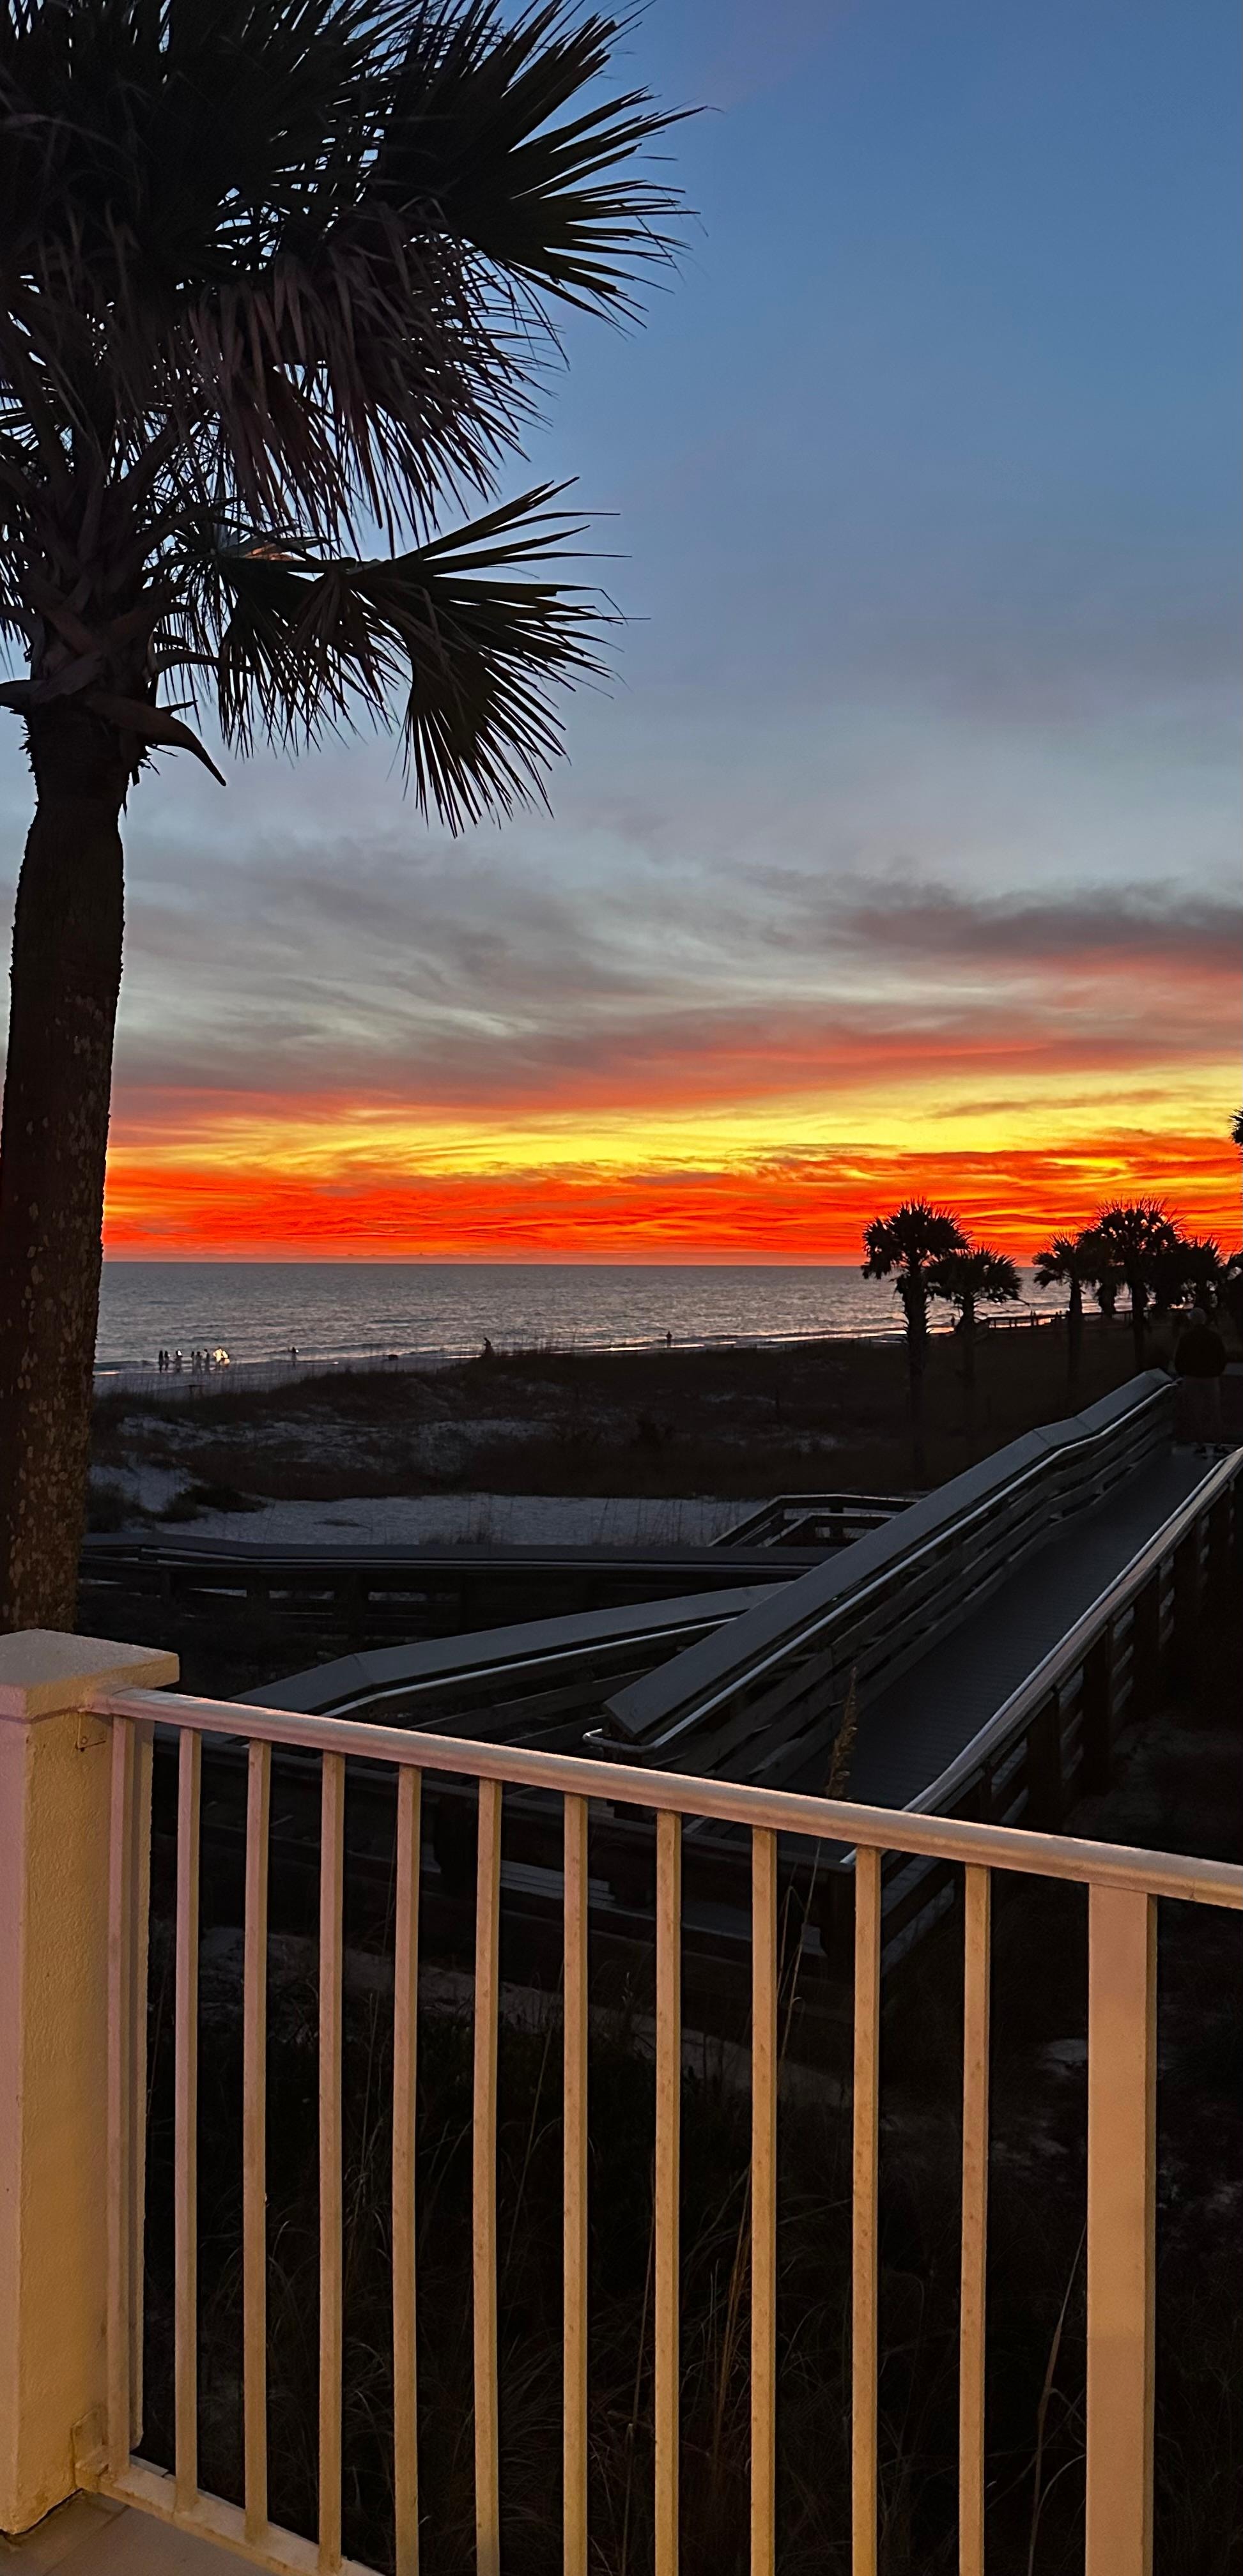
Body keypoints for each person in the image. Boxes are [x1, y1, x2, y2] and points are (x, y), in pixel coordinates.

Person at [1173, 1305, 1226, 1451]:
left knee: (1196, 1411)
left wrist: (1183, 1373)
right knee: (1215, 1410)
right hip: (1211, 1377)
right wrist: (1217, 1371)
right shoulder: (1214, 1337)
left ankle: (1200, 1444)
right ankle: (1218, 1443)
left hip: (1192, 1377)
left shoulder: (1186, 1338)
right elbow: (1222, 1357)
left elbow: (1179, 1359)